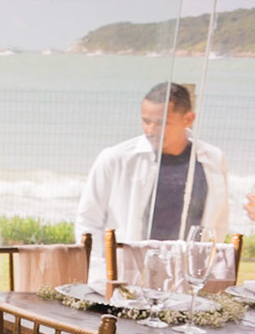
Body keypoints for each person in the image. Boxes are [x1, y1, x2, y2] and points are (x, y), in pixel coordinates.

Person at [74, 82, 230, 259]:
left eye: (161, 123)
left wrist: (206, 266)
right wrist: (100, 268)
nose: (151, 130)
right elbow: (88, 221)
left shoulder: (214, 159)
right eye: (146, 121)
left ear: (188, 119)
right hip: (127, 269)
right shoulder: (115, 159)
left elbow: (218, 223)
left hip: (189, 269)